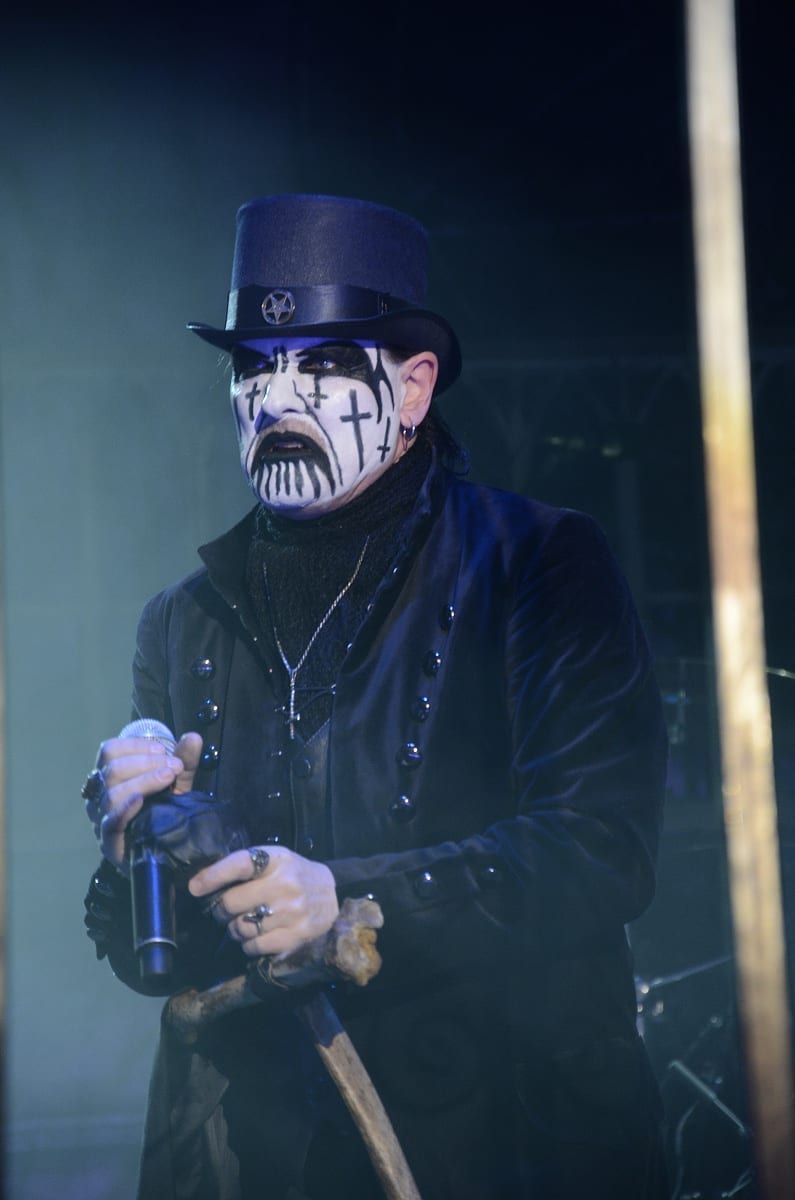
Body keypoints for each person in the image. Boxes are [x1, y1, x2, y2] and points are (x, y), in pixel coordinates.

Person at [82, 192, 670, 1200]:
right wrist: (134, 852)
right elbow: (158, 967)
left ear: (412, 387)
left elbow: (602, 850)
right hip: (274, 1158)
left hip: (511, 1140)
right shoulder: (182, 623)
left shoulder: (536, 563)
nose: (276, 399)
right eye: (253, 368)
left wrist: (353, 903)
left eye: (319, 364)